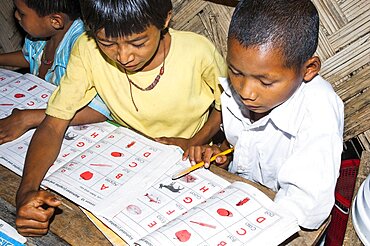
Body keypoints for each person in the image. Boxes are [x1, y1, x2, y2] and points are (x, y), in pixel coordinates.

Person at [15, 0, 227, 236]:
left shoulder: (197, 51)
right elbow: (53, 125)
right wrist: (26, 192)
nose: (124, 56)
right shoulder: (88, 50)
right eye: (107, 43)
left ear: (165, 20)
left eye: (138, 43)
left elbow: (225, 107)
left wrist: (195, 140)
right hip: (129, 161)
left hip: (193, 161)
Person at [187, 0, 344, 230]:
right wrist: (222, 154)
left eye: (266, 81)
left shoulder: (319, 108)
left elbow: (306, 207)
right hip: (237, 201)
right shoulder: (239, 89)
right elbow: (242, 145)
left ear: (308, 69)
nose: (245, 92)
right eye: (235, 72)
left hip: (278, 222)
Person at [0, 0, 110, 145]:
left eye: (22, 13)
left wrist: (27, 118)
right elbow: (32, 58)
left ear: (55, 21)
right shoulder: (39, 36)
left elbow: (99, 110)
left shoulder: (82, 47)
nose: (16, 16)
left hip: (77, 126)